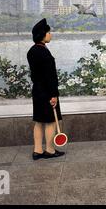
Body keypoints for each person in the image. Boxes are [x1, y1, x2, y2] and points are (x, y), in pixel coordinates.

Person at [27, 18, 65, 160]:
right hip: (47, 91)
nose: (50, 35)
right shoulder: (44, 52)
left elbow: (36, 75)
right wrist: (53, 94)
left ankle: (37, 150)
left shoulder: (32, 51)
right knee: (50, 121)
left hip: (37, 90)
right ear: (43, 34)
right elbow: (50, 76)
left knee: (39, 121)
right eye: (48, 32)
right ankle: (49, 150)